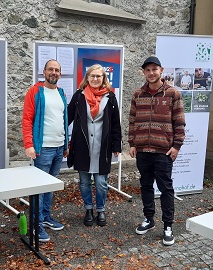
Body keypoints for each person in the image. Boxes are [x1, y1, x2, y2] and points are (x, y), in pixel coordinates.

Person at [128, 56, 186, 246]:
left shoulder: (172, 94)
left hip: (163, 151)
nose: (151, 73)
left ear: (161, 70)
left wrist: (176, 146)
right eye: (147, 70)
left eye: (154, 69)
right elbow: (132, 121)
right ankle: (149, 219)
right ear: (144, 73)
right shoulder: (137, 94)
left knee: (165, 188)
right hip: (143, 149)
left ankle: (168, 226)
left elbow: (179, 122)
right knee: (145, 185)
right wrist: (132, 143)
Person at [67, 64, 122, 227]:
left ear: (103, 78)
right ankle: (88, 209)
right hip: (82, 146)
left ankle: (101, 209)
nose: (96, 79)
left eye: (99, 76)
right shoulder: (79, 96)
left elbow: (115, 124)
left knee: (101, 183)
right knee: (84, 182)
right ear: (87, 78)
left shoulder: (110, 98)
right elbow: (67, 118)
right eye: (93, 76)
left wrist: (117, 146)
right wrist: (62, 140)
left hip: (102, 147)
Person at [22, 59, 68, 242]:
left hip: (58, 147)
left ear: (60, 74)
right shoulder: (35, 91)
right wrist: (29, 145)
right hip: (43, 149)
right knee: (39, 189)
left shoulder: (61, 93)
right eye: (51, 69)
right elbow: (27, 119)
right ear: (44, 72)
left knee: (50, 186)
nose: (54, 72)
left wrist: (65, 145)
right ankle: (36, 223)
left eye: (57, 70)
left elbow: (63, 120)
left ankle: (46, 217)